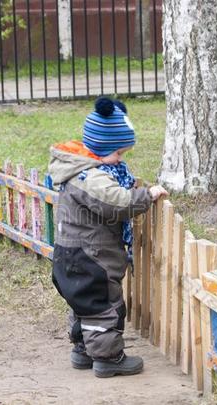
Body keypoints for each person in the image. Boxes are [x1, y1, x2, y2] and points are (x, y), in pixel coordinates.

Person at [47, 96, 168, 378]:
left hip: (70, 253)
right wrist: (146, 195)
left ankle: (83, 350)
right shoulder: (91, 177)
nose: (120, 159)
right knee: (104, 307)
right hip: (90, 257)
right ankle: (108, 358)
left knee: (84, 305)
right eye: (118, 154)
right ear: (101, 150)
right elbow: (117, 202)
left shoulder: (77, 170)